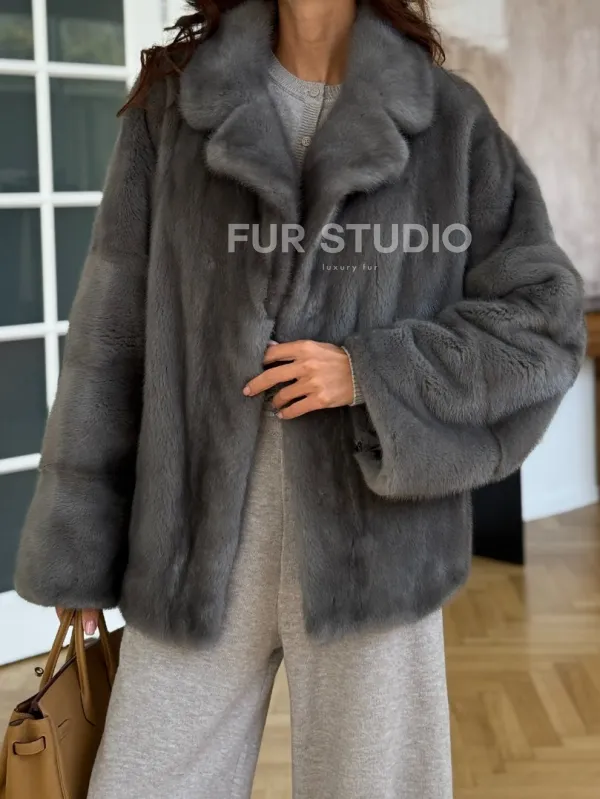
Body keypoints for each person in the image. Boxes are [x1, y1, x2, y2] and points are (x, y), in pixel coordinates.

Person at [13, 0, 586, 797]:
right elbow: (112, 339)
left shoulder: (446, 120)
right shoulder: (176, 105)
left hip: (374, 553)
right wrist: (80, 550)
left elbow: (544, 320)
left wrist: (370, 373)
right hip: (191, 548)